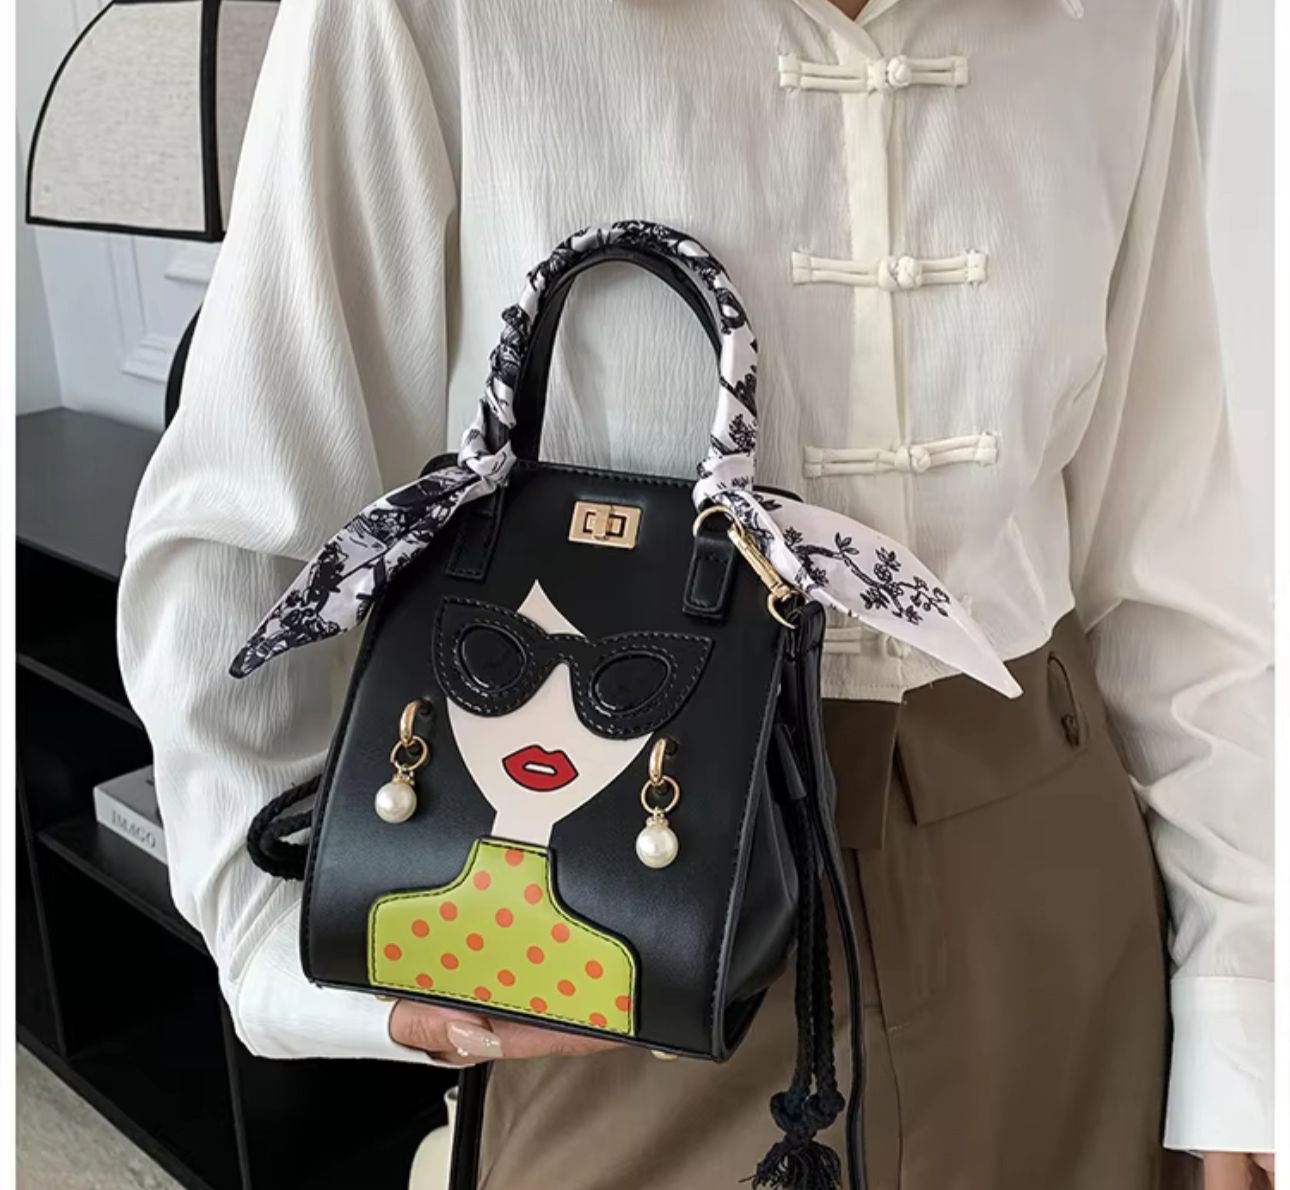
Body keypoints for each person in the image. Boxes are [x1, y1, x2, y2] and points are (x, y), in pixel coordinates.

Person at [116, 0, 1274, 1187]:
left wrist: (1239, 1017)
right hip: (612, 882)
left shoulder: (1114, 23)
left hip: (1054, 901)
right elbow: (246, 525)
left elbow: (1172, 556)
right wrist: (289, 929)